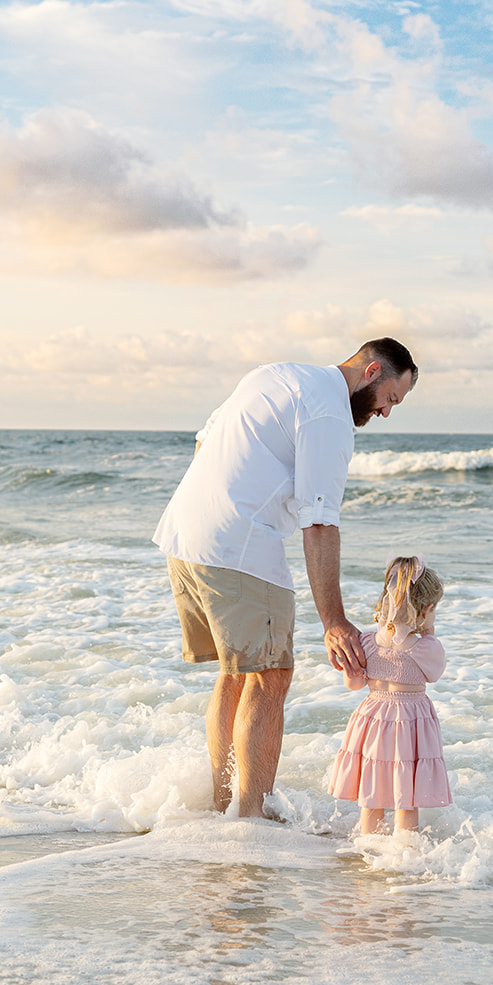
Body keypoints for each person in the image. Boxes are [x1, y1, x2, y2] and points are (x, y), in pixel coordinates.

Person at [154, 339, 419, 818]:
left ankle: (224, 808)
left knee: (238, 673)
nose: (385, 413)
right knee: (271, 673)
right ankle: (250, 818)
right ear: (373, 371)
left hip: (184, 533)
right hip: (238, 544)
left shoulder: (274, 374)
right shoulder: (330, 415)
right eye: (391, 399)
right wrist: (334, 622)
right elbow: (319, 520)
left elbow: (203, 440)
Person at [326, 555, 450, 835]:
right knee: (406, 801)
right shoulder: (424, 648)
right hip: (410, 725)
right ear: (426, 608)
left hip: (372, 720)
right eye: (434, 611)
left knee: (372, 795)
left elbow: (354, 683)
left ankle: (368, 849)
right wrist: (429, 632)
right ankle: (404, 856)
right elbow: (435, 673)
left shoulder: (367, 642)